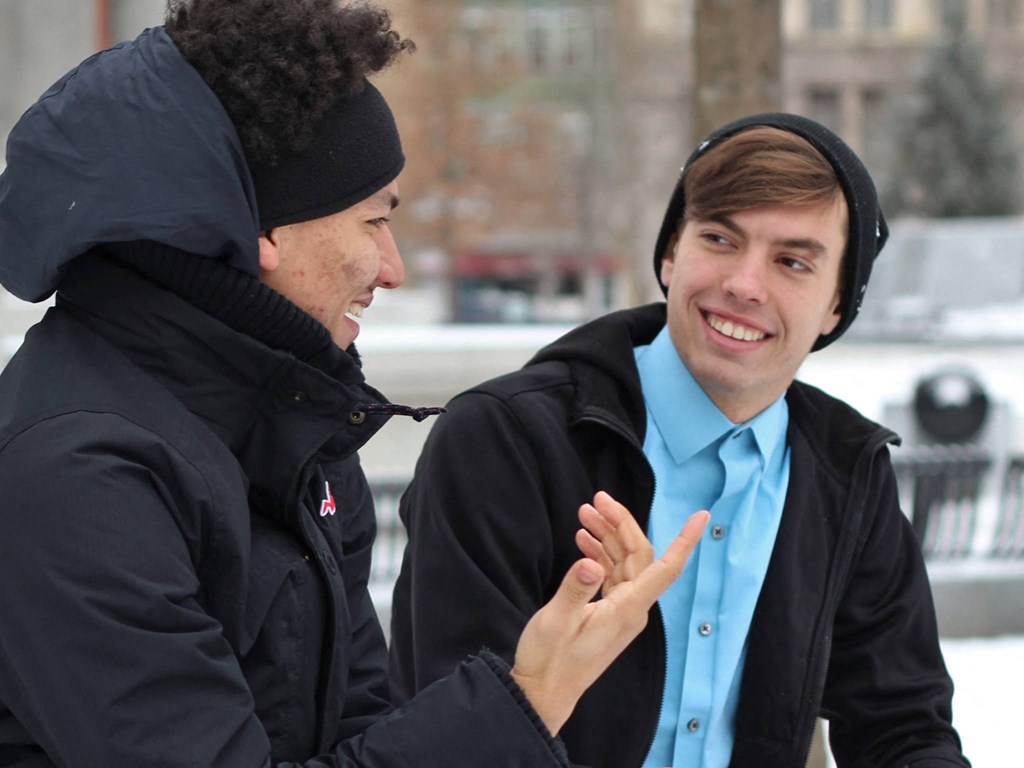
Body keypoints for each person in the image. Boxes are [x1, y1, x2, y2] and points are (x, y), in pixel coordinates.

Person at [0, 1, 709, 766]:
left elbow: (357, 731)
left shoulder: (297, 423)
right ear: (260, 231)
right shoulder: (76, 477)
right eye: (373, 221)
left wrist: (531, 687)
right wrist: (525, 699)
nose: (393, 268)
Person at [389, 114, 971, 768]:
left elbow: (902, 726)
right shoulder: (505, 442)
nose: (745, 285)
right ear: (671, 252)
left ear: (838, 303)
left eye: (792, 261)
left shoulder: (845, 470)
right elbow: (444, 738)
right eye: (720, 238)